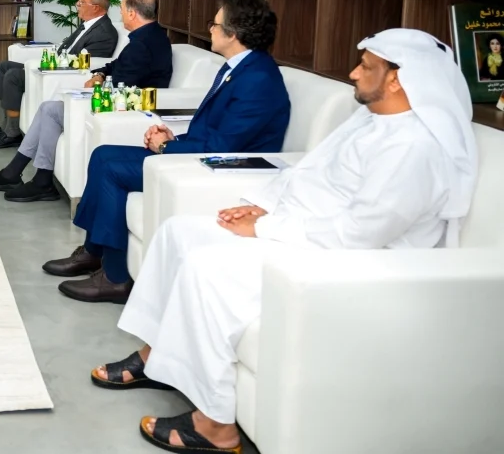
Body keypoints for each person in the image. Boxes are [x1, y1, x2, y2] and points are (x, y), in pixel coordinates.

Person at [93, 28, 475, 454]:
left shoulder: (413, 147)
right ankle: (157, 357)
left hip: (347, 261)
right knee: (177, 232)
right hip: (300, 229)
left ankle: (215, 426)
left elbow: (362, 233)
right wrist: (261, 207)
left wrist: (266, 228)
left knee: (205, 266)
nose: (353, 73)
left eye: (366, 67)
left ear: (397, 79)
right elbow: (307, 173)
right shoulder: (373, 120)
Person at [42, 0, 290, 304]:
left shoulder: (258, 79)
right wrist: (174, 138)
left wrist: (169, 147)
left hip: (215, 169)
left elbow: (227, 146)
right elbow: (215, 130)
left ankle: (115, 278)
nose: (210, 30)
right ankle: (94, 252)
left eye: (214, 24)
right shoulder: (239, 68)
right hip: (198, 154)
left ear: (233, 33)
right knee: (103, 154)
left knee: (112, 170)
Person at [0, 0, 174, 201]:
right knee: (49, 108)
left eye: (122, 9)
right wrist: (99, 74)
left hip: (125, 108)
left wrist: (95, 89)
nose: (120, 13)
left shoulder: (143, 44)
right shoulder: (148, 37)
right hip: (119, 99)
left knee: (50, 110)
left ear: (132, 13)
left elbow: (124, 84)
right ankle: (24, 176)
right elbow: (116, 65)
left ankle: (26, 177)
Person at [0, 0, 120, 148]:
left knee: (13, 76)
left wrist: (52, 66)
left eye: (81, 2)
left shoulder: (104, 33)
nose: (77, 4)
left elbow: (85, 63)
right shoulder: (88, 24)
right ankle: (6, 125)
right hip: (55, 67)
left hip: (60, 74)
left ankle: (12, 134)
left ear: (95, 7)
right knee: (3, 67)